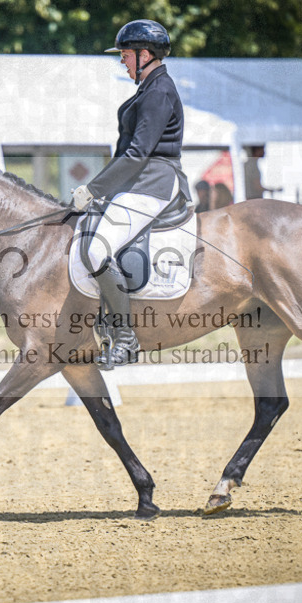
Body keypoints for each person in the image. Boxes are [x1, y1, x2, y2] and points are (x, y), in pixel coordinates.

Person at [70, 19, 191, 369]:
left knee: (95, 249)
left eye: (125, 55)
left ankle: (125, 338)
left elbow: (138, 152)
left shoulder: (159, 91)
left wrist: (94, 190)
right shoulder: (149, 88)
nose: (122, 62)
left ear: (145, 54)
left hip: (154, 182)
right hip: (138, 181)